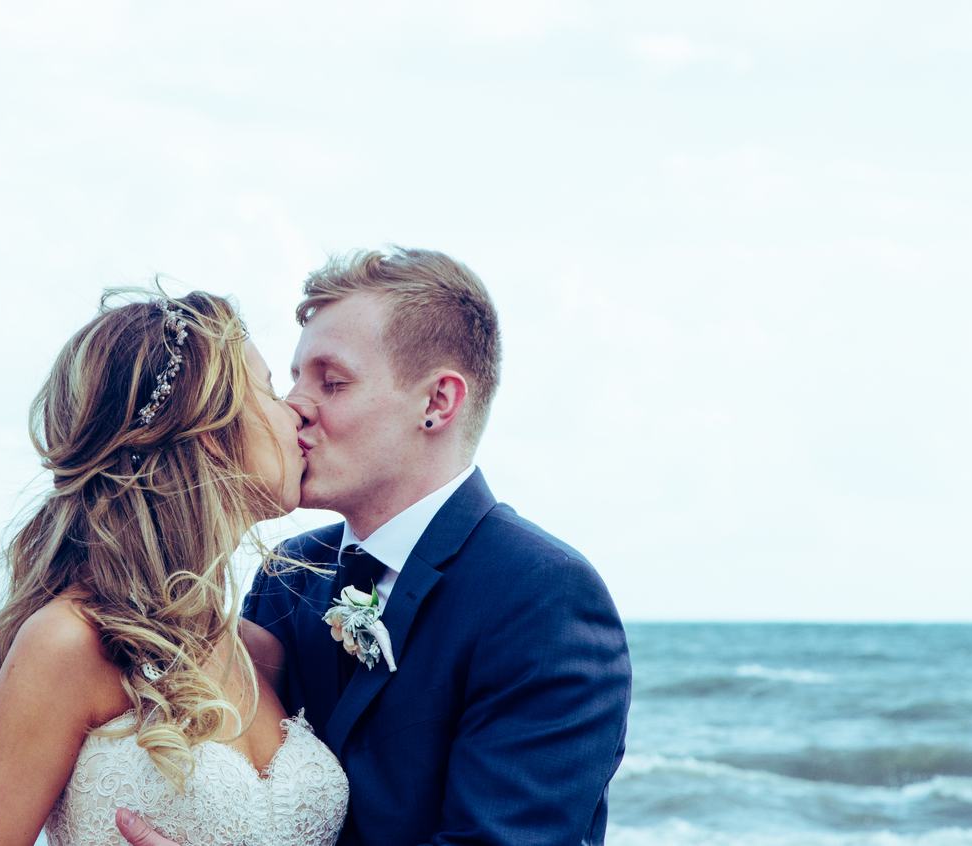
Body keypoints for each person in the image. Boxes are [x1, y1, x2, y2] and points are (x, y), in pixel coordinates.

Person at [116, 248, 632, 846]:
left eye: (332, 383)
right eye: (292, 380)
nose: (293, 407)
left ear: (437, 403)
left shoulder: (545, 596)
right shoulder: (286, 577)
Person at [0, 290, 349, 846]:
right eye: (269, 389)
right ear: (207, 432)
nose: (295, 408)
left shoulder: (261, 653)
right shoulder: (69, 644)